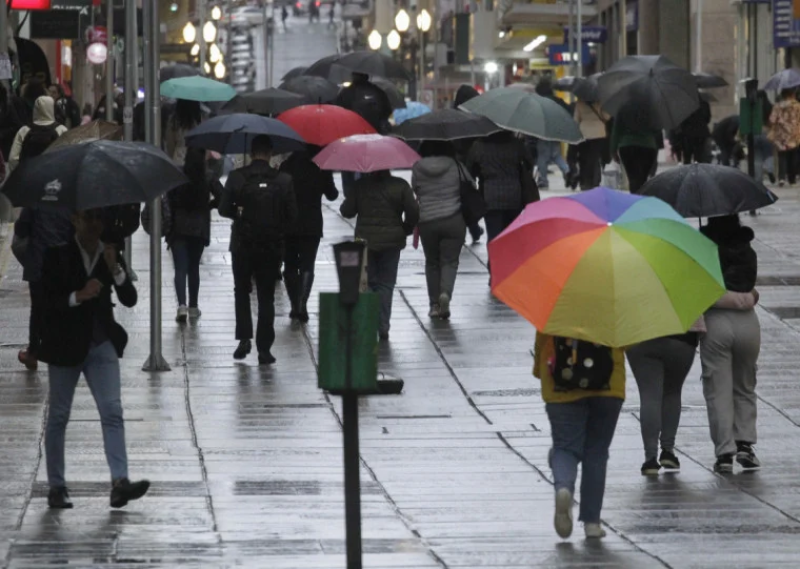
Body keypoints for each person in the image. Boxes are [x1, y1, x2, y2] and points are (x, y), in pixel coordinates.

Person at [38, 208, 149, 509]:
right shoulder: (57, 254)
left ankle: (120, 483)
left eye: (99, 218)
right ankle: (56, 486)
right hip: (65, 346)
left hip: (101, 344)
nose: (95, 225)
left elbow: (129, 299)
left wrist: (116, 269)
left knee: (112, 410)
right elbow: (46, 302)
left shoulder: (109, 253)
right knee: (59, 415)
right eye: (89, 218)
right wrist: (78, 296)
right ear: (75, 220)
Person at [534, 333, 626, 539]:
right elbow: (628, 338)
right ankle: (592, 523)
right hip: (608, 383)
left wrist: (539, 369)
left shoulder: (555, 310)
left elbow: (542, 336)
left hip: (561, 382)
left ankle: (564, 488)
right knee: (597, 452)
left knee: (565, 448)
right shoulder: (611, 310)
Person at [218, 135, 297, 364]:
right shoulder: (283, 180)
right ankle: (264, 348)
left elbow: (223, 209)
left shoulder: (236, 177)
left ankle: (244, 338)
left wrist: (239, 213)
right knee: (266, 296)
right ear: (270, 153)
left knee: (241, 291)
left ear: (251, 153)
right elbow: (292, 216)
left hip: (242, 244)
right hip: (271, 246)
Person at [699, 215, 761, 473]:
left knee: (718, 389)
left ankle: (725, 452)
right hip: (748, 322)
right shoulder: (747, 250)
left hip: (716, 319)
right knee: (745, 385)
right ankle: (745, 444)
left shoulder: (704, 248)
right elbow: (750, 285)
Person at [340, 169, 419, 340]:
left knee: (366, 283)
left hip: (365, 241)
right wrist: (405, 228)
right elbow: (413, 211)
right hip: (392, 242)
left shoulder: (360, 186)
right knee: (386, 284)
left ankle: (369, 321)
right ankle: (383, 325)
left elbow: (346, 211)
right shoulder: (401, 186)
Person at [279, 147, 338, 322]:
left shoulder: (286, 166)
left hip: (288, 223)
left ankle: (294, 305)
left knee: (290, 264)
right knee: (307, 264)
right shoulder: (319, 167)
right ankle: (302, 304)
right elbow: (332, 195)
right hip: (312, 224)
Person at [411, 141, 467, 319]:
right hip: (453, 219)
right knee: (450, 261)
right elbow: (469, 183)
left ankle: (434, 305)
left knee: (432, 262)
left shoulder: (418, 167)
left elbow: (416, 189)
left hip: (428, 221)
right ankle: (445, 294)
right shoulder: (455, 165)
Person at [168, 147, 221, 323]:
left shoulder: (177, 175)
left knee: (180, 268)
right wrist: (209, 205)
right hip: (199, 228)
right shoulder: (208, 176)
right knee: (193, 268)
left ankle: (181, 306)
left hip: (178, 226)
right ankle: (193, 307)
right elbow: (222, 197)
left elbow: (169, 198)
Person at [469, 131, 533, 267]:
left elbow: (470, 170)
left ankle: (494, 268)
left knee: (493, 234)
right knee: (510, 236)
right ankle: (508, 268)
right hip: (514, 195)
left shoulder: (478, 146)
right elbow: (529, 163)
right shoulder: (516, 144)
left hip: (490, 195)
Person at [453, 84, 485, 244]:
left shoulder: (450, 117)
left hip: (453, 165)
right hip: (468, 164)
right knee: (467, 196)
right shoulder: (474, 119)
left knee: (458, 197)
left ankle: (470, 228)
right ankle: (473, 227)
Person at [8, 95, 68, 173]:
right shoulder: (62, 130)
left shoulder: (24, 130)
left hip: (29, 175)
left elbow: (12, 159)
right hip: (54, 176)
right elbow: (68, 155)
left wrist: (20, 174)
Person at [610, 101, 660, 194]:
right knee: (643, 178)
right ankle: (641, 196)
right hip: (648, 146)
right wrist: (657, 148)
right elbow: (657, 130)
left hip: (627, 146)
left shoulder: (623, 108)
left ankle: (635, 196)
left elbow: (616, 130)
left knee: (632, 177)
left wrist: (613, 150)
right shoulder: (651, 109)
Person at [535, 81, 571, 190]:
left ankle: (543, 180)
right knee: (556, 155)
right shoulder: (558, 101)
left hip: (543, 131)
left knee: (543, 156)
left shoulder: (538, 102)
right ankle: (567, 171)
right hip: (556, 131)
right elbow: (568, 111)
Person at [573, 99, 609, 190]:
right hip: (599, 133)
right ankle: (595, 180)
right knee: (595, 157)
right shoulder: (600, 102)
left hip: (584, 133)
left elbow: (576, 119)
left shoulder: (580, 103)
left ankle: (585, 181)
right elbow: (607, 117)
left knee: (584, 157)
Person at [768, 89, 800, 186]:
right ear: (793, 94)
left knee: (782, 156)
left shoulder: (777, 106)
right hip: (795, 134)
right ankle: (792, 179)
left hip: (781, 134)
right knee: (794, 156)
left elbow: (772, 120)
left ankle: (781, 178)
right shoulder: (797, 106)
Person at [165, 99, 203, 167]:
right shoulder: (200, 121)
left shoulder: (174, 121)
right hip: (197, 160)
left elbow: (170, 144)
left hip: (179, 159)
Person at [678, 95, 712, 164]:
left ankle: (687, 169)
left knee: (687, 156)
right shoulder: (705, 103)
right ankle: (697, 169)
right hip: (701, 133)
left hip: (688, 133)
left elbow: (682, 120)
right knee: (699, 156)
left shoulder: (685, 104)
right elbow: (708, 119)